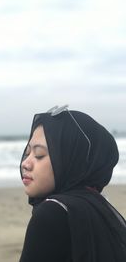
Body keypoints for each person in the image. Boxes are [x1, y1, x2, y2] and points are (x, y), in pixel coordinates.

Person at [19, 105, 126, 262]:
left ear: (71, 160)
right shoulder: (100, 206)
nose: (25, 164)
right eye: (27, 153)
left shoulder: (52, 213)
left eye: (39, 155)